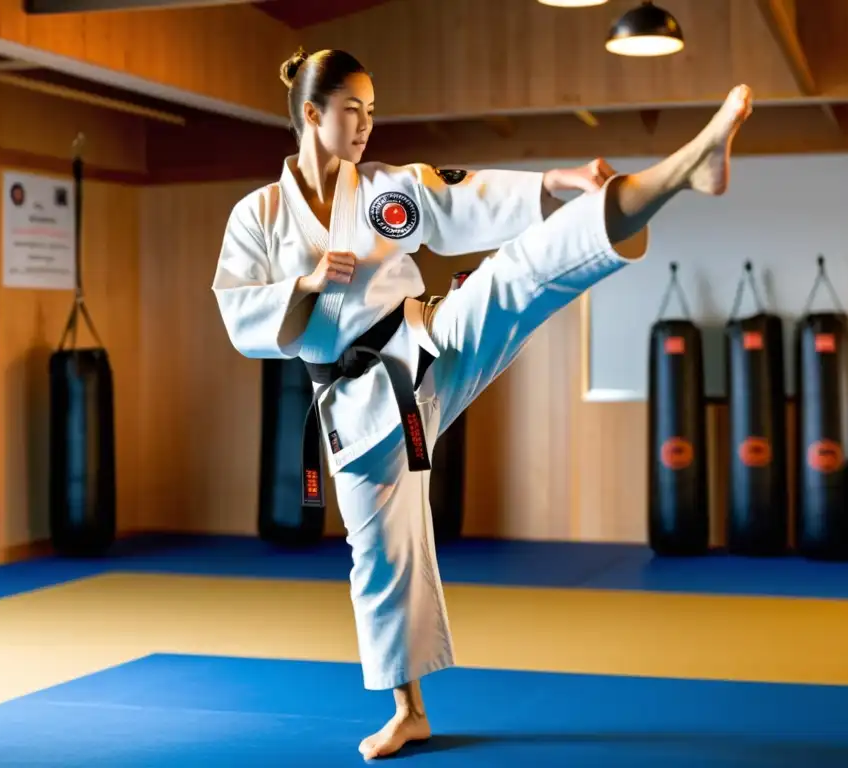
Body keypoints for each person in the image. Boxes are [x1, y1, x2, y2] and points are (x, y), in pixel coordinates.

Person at [211, 46, 752, 761]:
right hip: (354, 405)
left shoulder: (384, 189)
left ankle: (685, 168)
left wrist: (557, 182)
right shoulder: (259, 214)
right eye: (353, 110)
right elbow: (238, 315)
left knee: (521, 273)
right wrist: (306, 285)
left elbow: (459, 198)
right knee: (380, 556)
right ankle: (408, 712)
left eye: (373, 111)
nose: (368, 124)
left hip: (426, 343)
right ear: (311, 114)